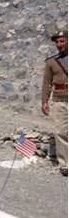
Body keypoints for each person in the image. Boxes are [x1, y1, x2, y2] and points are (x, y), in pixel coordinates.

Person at [41, 30, 68, 176]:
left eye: (62, 41)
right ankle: (65, 164)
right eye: (57, 42)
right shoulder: (51, 62)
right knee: (61, 132)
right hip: (60, 100)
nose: (59, 44)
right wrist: (44, 101)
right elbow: (47, 83)